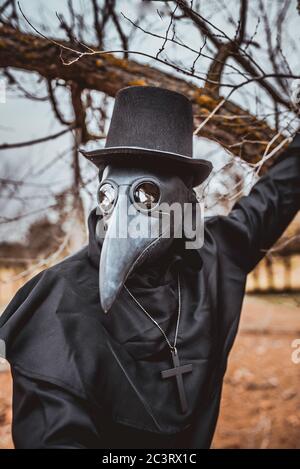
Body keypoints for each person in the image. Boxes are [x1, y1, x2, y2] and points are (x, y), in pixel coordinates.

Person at [0, 86, 299, 449]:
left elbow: (272, 200)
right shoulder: (58, 306)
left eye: (144, 195)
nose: (122, 215)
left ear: (185, 200)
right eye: (109, 195)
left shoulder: (210, 258)